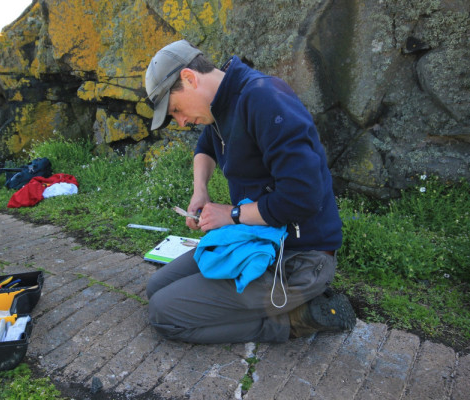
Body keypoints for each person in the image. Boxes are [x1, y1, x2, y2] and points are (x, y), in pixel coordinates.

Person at [144, 40, 356, 343]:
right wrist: (200, 191)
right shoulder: (222, 103)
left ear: (189, 78)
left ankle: (295, 318)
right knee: (156, 288)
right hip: (256, 240)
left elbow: (303, 196)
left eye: (175, 109)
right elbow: (206, 146)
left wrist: (231, 215)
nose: (180, 121)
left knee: (164, 314)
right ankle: (269, 305)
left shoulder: (264, 100)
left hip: (299, 256)